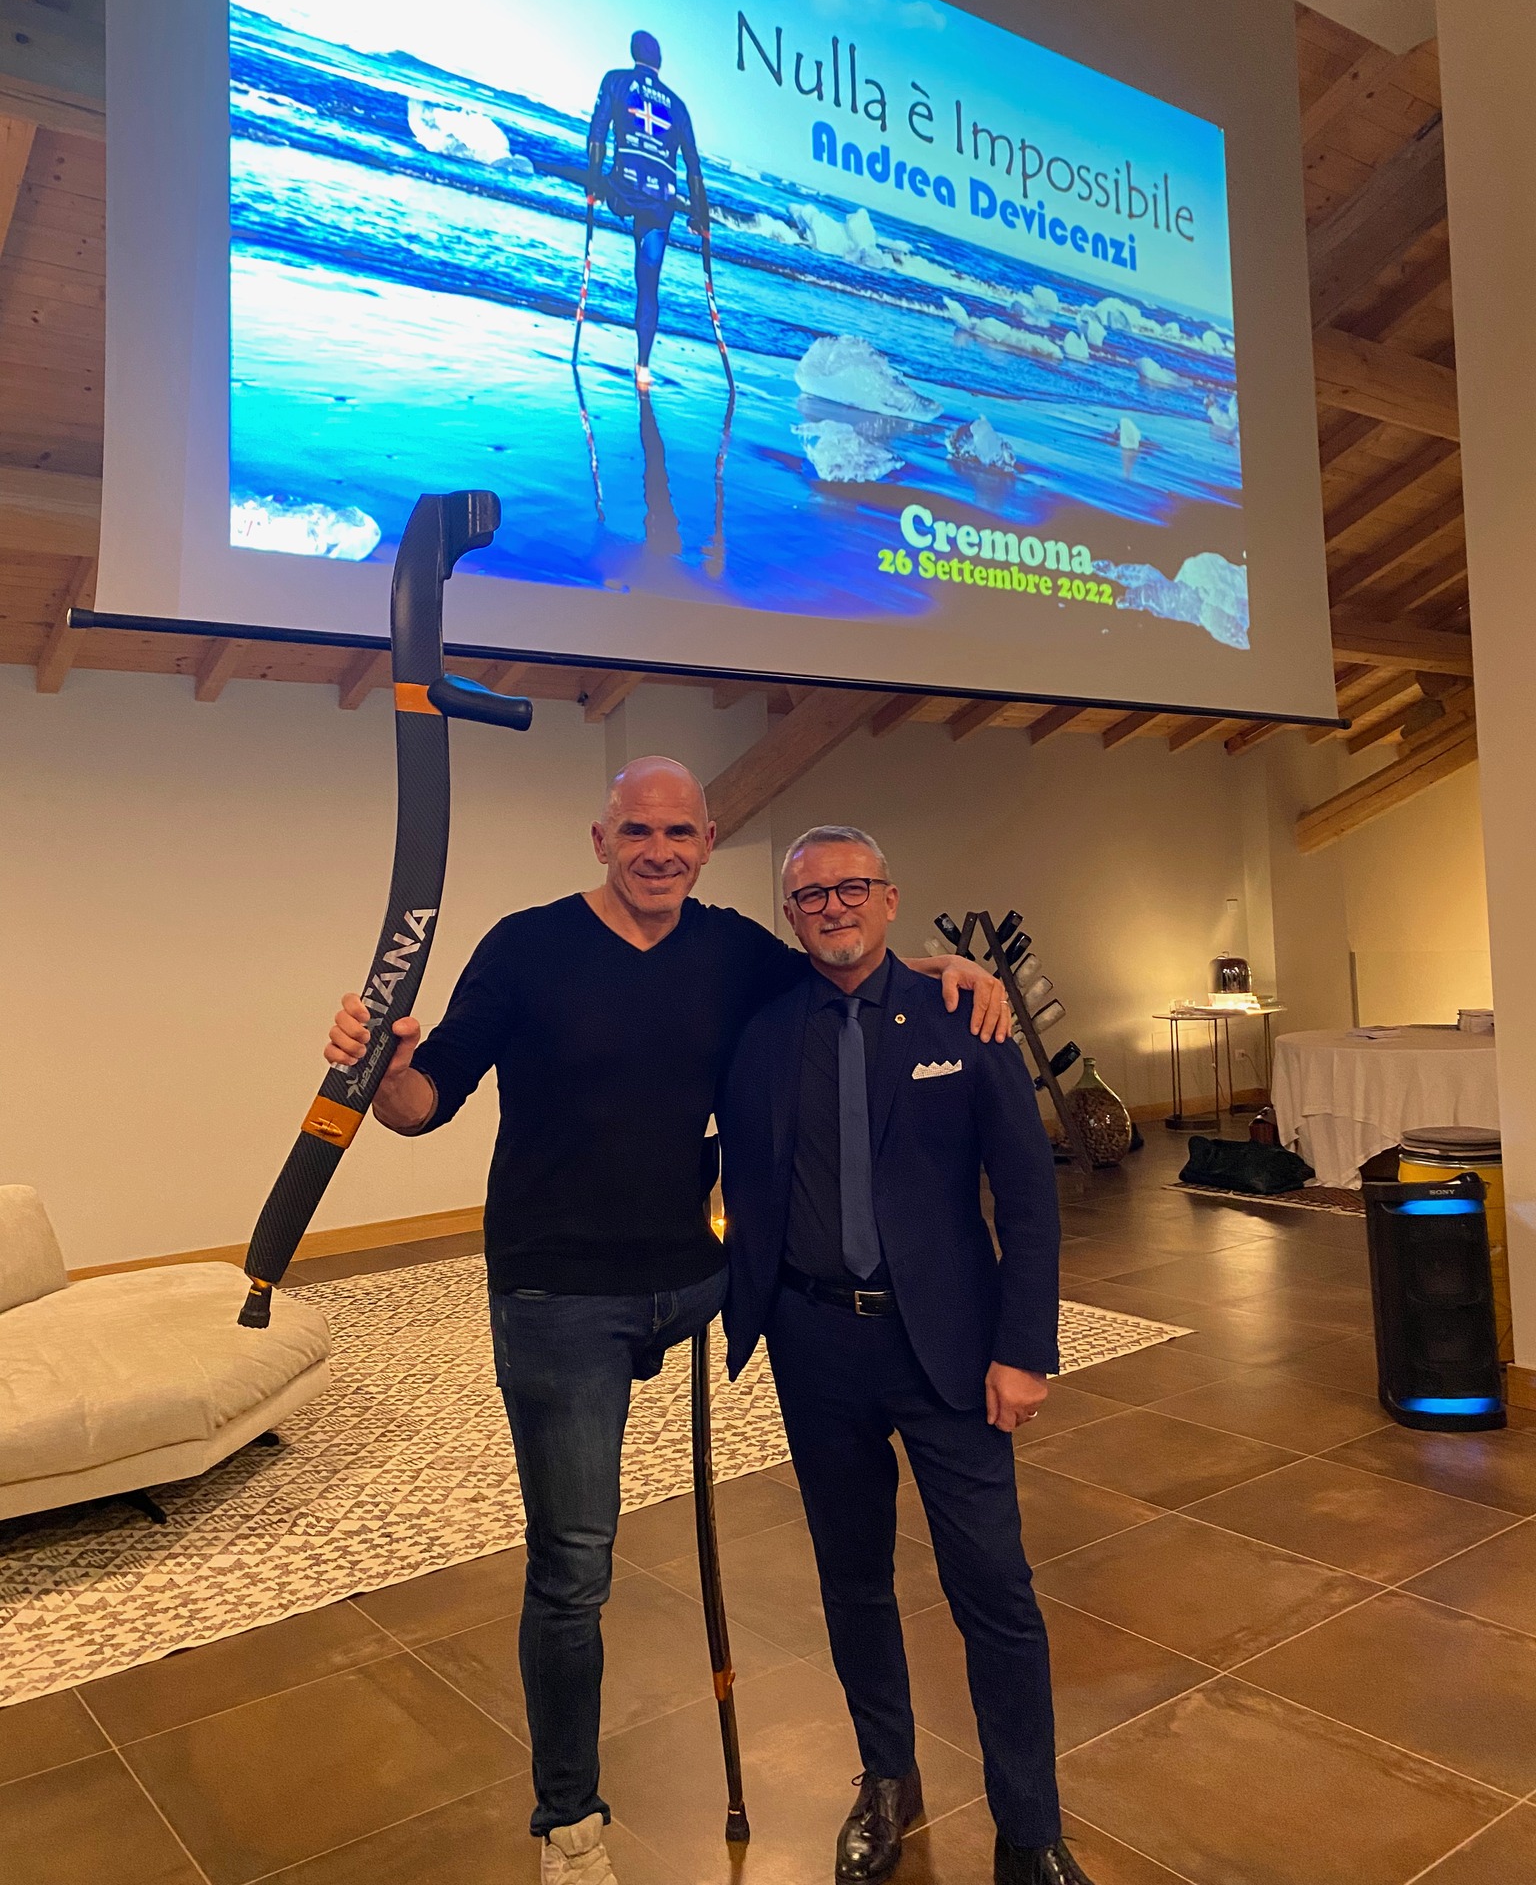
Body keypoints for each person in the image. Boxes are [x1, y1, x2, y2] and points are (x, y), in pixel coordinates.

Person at [322, 760, 1009, 1885]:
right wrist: (382, 1071)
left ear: (706, 839)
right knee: (574, 1565)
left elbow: (843, 965)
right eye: (637, 831)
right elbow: (423, 1100)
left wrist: (946, 967)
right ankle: (569, 1822)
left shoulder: (729, 948)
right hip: (560, 1294)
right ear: (601, 839)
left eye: (679, 832)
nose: (658, 850)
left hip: (696, 1275)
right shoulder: (527, 946)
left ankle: (888, 1760)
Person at [719, 825, 1095, 1885]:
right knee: (852, 1578)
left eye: (852, 887)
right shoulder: (760, 1027)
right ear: (790, 914)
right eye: (810, 895)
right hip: (813, 1342)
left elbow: (1027, 1194)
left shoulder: (964, 1014)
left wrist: (1024, 1346)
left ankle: (1030, 1830)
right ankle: (887, 1779)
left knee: (995, 1588)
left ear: (889, 898)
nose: (832, 907)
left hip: (951, 1348)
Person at [587, 30, 707, 388]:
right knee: (648, 285)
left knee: (610, 189)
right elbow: (693, 166)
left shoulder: (615, 81)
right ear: (659, 62)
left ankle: (604, 194)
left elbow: (597, 134)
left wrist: (593, 183)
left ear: (633, 53)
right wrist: (699, 215)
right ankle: (643, 368)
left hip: (623, 190)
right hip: (661, 203)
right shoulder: (678, 105)